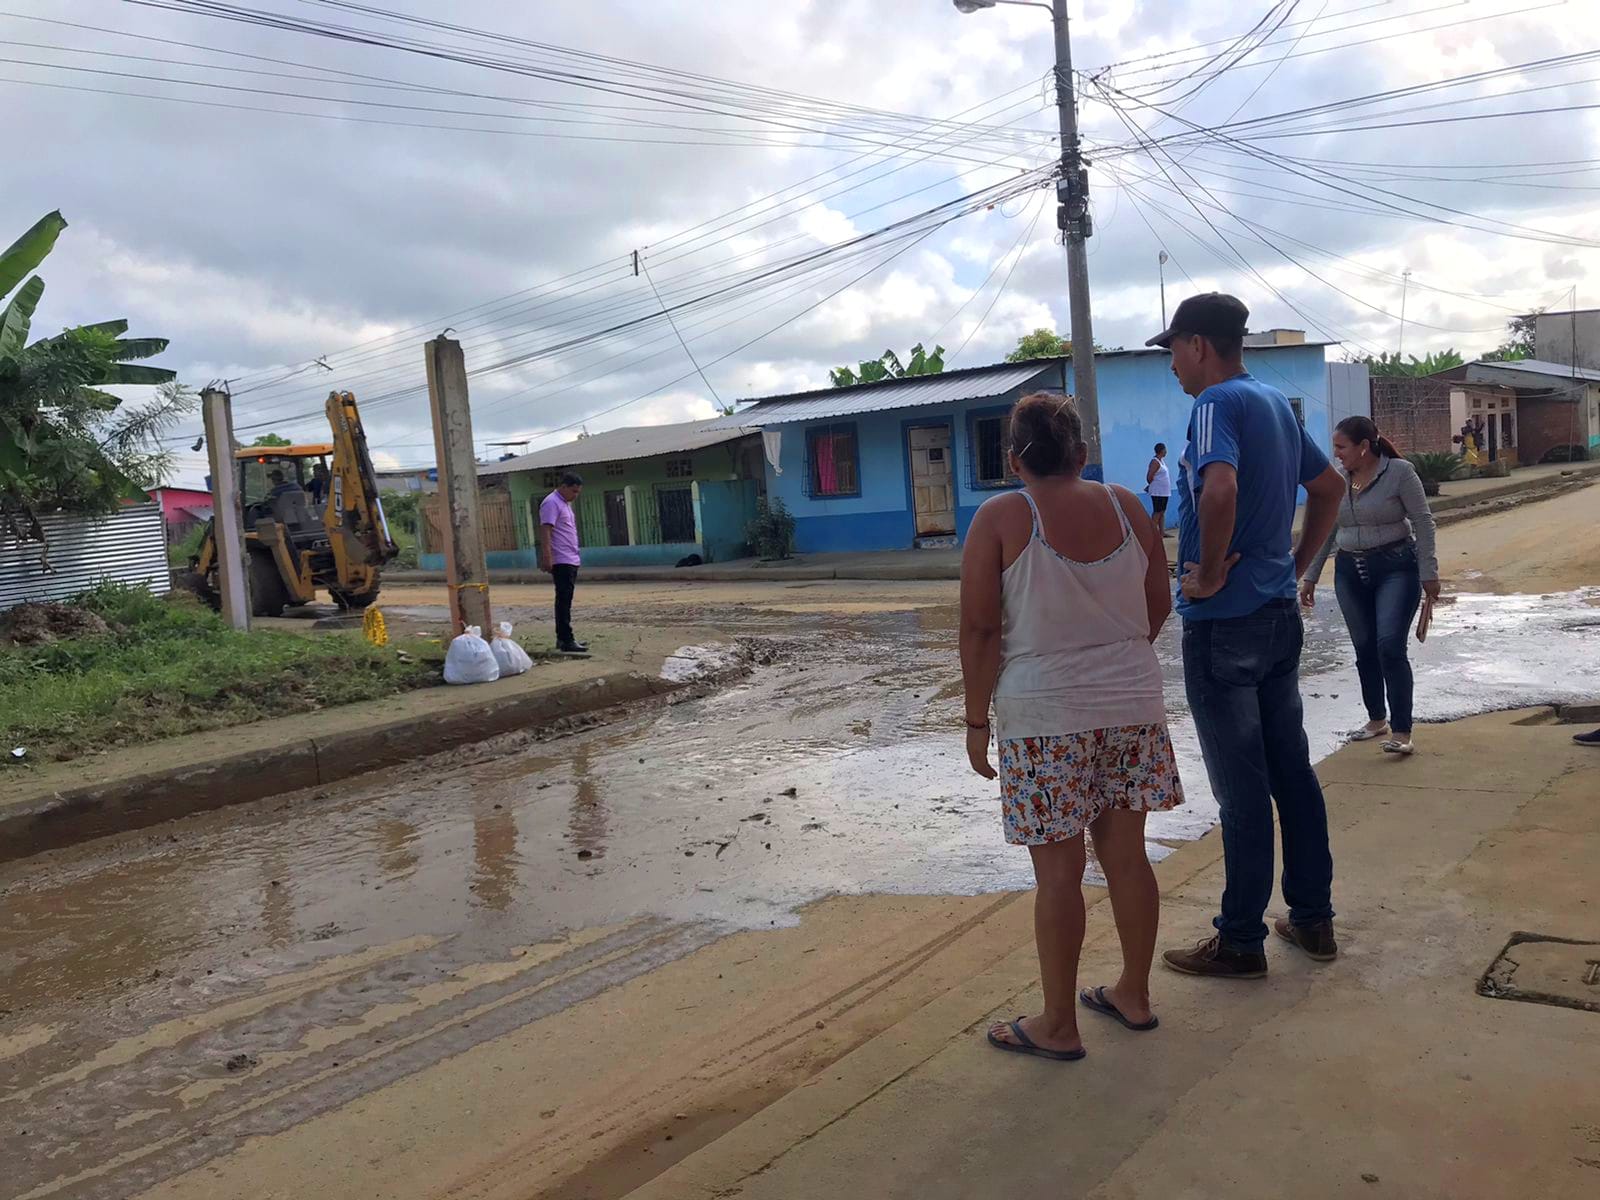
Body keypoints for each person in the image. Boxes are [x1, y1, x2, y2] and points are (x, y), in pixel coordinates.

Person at [961, 392, 1184, 1062]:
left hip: (1044, 717)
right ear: (1083, 453)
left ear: (1013, 460)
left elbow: (980, 628)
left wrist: (976, 720)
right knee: (1127, 857)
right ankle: (1134, 994)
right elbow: (1159, 601)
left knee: (1059, 874)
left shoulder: (1001, 516)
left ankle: (1059, 1024)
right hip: (1133, 706)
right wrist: (1114, 661)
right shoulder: (1127, 505)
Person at [1146, 293, 1346, 980]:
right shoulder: (1274, 405)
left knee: (1242, 791)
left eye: (1174, 349)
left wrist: (1205, 575)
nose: (1172, 364)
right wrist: (1295, 566)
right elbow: (1329, 489)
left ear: (1199, 345)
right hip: (1277, 616)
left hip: (1224, 625)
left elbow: (1220, 490)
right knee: (1291, 773)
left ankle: (1239, 941)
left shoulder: (1214, 405)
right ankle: (1312, 918)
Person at [1300, 416, 1440, 756]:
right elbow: (1327, 528)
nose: (1337, 454)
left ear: (1364, 447)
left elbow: (1423, 522)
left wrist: (1429, 572)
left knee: (1389, 646)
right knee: (1364, 648)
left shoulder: (1400, 473)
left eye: (1342, 447)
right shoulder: (1338, 480)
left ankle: (1402, 730)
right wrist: (1311, 575)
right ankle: (1377, 719)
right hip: (1350, 571)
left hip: (1396, 568)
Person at [538, 471, 586, 654]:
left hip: (570, 557)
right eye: (573, 491)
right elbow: (546, 530)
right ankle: (566, 639)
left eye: (578, 492)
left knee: (567, 599)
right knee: (563, 600)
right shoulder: (551, 502)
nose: (575, 495)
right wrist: (547, 556)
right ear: (564, 486)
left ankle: (564, 637)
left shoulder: (564, 504)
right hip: (561, 559)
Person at [1145, 442, 1172, 529]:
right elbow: (1149, 477)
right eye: (1165, 449)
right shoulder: (1155, 462)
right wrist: (1153, 485)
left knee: (1162, 512)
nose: (1166, 451)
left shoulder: (1162, 461)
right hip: (1157, 492)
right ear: (1162, 450)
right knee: (1157, 512)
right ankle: (1153, 532)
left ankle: (1161, 532)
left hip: (1164, 492)